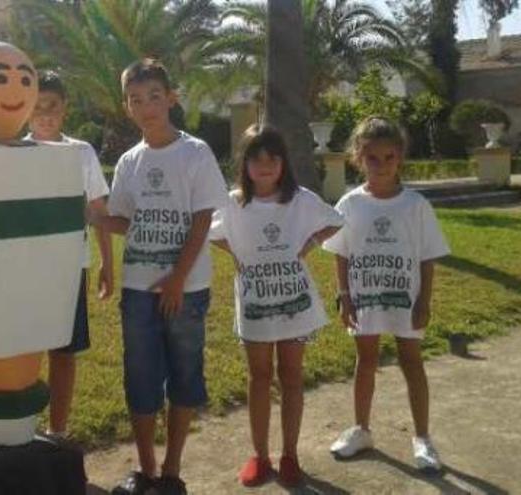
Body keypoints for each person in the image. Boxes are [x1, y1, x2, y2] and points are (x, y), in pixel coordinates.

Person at [102, 58, 228, 495]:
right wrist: (93, 217)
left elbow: (202, 218)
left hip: (186, 290)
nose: (147, 106)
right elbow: (123, 221)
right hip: (138, 289)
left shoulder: (195, 152)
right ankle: (146, 471)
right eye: (136, 99)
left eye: (155, 96)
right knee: (140, 377)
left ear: (171, 98)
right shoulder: (128, 162)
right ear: (127, 107)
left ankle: (172, 471)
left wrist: (176, 278)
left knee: (184, 376)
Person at [209, 124, 342, 487]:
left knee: (292, 377)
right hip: (254, 303)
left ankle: (290, 456)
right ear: (245, 164)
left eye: (273, 159)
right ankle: (260, 455)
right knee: (259, 377)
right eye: (256, 159)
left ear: (283, 163)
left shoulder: (299, 199)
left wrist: (310, 243)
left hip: (293, 304)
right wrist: (236, 250)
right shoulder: (234, 202)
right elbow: (209, 231)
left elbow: (335, 221)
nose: (265, 166)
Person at [323, 116, 450, 472]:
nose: (381, 165)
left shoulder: (415, 205)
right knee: (366, 361)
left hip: (405, 301)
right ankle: (361, 430)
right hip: (364, 300)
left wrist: (424, 300)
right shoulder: (349, 203)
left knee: (412, 362)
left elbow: (427, 256)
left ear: (401, 158)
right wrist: (344, 295)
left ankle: (423, 438)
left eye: (389, 157)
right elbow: (341, 253)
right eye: (372, 158)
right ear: (358, 158)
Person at [25, 70, 114, 437]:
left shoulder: (81, 152)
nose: (45, 113)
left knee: (63, 352)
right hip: (25, 270)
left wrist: (108, 262)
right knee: (25, 351)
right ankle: (22, 430)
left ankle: (57, 431)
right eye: (38, 106)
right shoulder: (13, 152)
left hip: (69, 269)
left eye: (53, 106)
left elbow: (98, 210)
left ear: (65, 109)